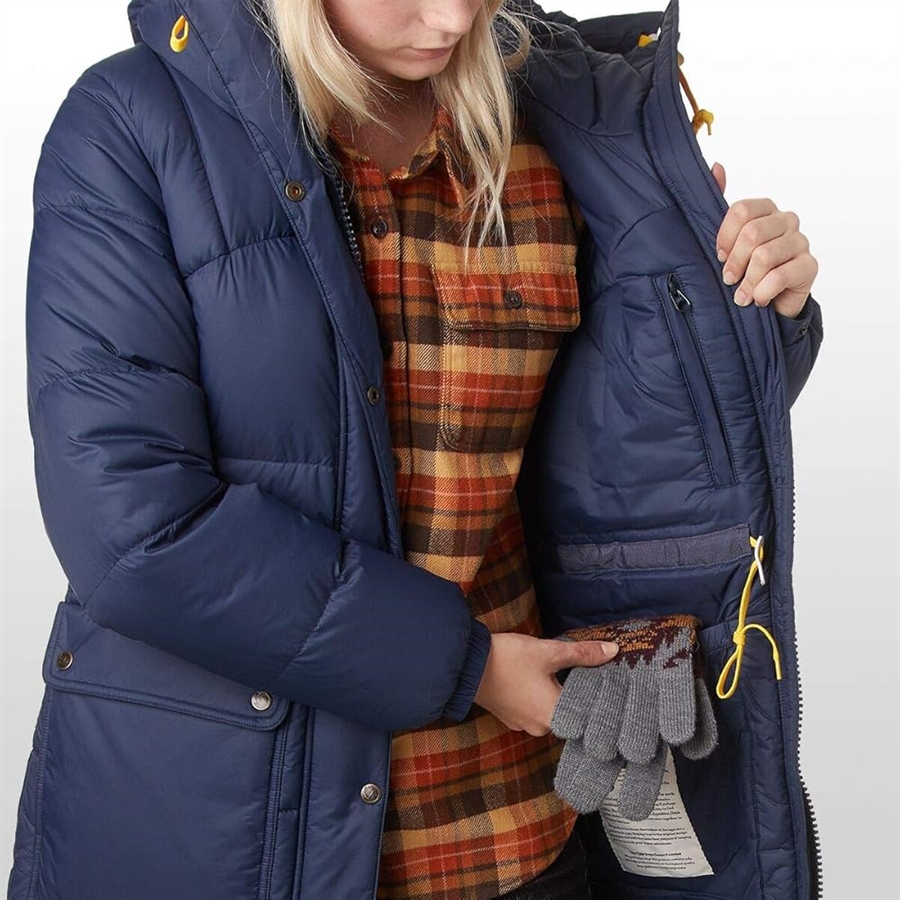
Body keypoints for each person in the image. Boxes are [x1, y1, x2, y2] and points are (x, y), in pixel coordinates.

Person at [7, 1, 824, 899]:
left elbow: (642, 447)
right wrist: (470, 668)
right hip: (223, 840)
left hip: (519, 829)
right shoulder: (135, 127)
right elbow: (130, 528)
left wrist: (752, 304)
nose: (454, 15)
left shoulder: (555, 118)